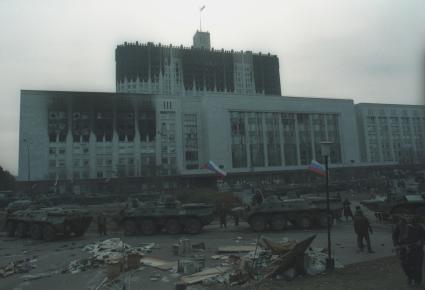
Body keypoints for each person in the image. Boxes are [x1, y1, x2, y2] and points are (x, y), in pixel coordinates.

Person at [392, 216, 425, 287]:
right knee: (405, 265)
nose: (408, 217)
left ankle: (417, 281)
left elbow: (423, 236)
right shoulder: (400, 225)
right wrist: (396, 244)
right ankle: (410, 276)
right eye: (406, 215)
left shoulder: (419, 227)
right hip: (403, 250)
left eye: (410, 216)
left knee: (417, 267)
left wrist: (421, 242)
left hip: (417, 250)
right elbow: (394, 235)